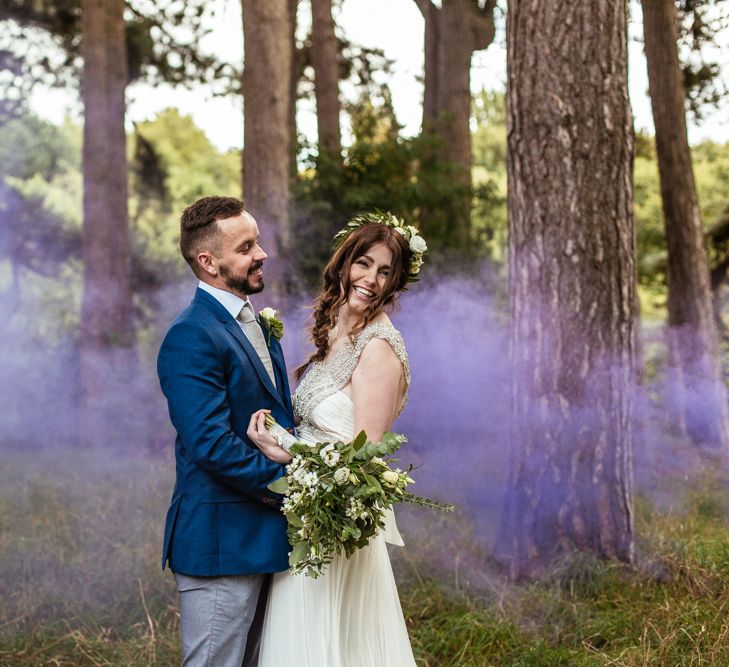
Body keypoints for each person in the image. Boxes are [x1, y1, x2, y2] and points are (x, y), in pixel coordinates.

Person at [247, 212, 426, 666]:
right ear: (344, 263)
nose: (372, 279)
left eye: (385, 271)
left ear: (396, 281)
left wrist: (285, 450)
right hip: (309, 520)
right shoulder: (337, 332)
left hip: (336, 530)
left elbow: (363, 463)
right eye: (364, 263)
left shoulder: (379, 348)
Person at [157, 196, 294, 667]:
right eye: (246, 247)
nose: (262, 254)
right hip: (219, 541)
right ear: (208, 262)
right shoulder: (192, 334)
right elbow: (210, 444)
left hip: (263, 538)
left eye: (258, 242)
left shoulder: (255, 321)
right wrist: (291, 485)